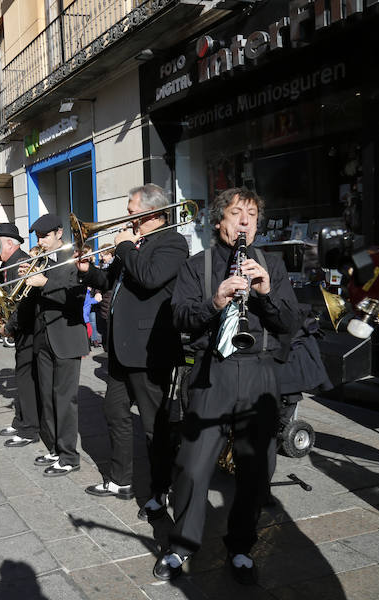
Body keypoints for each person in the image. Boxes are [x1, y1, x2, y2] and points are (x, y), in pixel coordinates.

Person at [153, 187, 298, 584]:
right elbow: (180, 316)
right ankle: (181, 545)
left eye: (252, 214)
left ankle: (240, 547)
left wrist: (267, 292)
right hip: (211, 370)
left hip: (260, 373)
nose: (246, 222)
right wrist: (215, 302)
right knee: (193, 466)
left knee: (255, 469)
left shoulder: (272, 264)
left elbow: (290, 323)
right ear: (220, 222)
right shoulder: (196, 265)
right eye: (237, 214)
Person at [76, 184, 189, 513]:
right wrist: (87, 272)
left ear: (152, 214)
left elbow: (151, 277)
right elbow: (109, 281)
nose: (126, 217)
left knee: (155, 427)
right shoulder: (136, 245)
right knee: (114, 413)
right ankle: (121, 479)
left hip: (148, 350)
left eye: (131, 211)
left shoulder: (173, 243)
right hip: (121, 350)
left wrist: (125, 247)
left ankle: (161, 490)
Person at [21, 214, 87, 476]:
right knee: (46, 396)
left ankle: (69, 455)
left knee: (65, 399)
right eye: (38, 237)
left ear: (59, 233)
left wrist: (44, 282)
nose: (41, 241)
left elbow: (76, 295)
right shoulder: (41, 260)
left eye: (45, 236)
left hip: (66, 337)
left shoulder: (73, 258)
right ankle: (55, 448)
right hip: (43, 337)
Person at [0, 223, 40, 448]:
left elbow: (23, 303)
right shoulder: (9, 263)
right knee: (22, 379)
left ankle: (29, 429)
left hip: (29, 331)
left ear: (10, 244)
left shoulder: (20, 263)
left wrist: (7, 327)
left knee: (26, 380)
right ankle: (21, 420)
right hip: (22, 330)